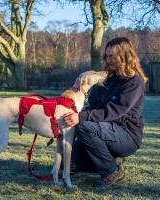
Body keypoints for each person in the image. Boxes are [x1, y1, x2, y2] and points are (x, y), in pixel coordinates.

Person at [63, 37, 148, 187]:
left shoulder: (134, 82)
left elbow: (114, 111)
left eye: (112, 56)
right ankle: (112, 160)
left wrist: (81, 117)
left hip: (126, 135)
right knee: (69, 162)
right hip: (103, 129)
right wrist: (73, 115)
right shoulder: (106, 79)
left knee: (84, 126)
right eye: (106, 56)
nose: (108, 60)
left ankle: (111, 171)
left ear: (125, 57)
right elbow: (93, 105)